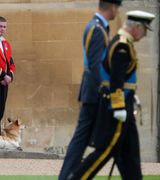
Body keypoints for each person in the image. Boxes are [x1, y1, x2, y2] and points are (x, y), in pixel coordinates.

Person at [67, 10, 155, 180]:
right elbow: (115, 78)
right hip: (116, 108)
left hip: (124, 103)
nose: (144, 35)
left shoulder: (124, 43)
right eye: (144, 30)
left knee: (130, 155)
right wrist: (119, 106)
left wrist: (130, 95)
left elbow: (122, 78)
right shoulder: (122, 45)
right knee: (104, 152)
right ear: (137, 27)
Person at [59, 0, 122, 179]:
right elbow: (95, 65)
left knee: (84, 139)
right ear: (111, 6)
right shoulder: (96, 29)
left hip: (93, 91)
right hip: (95, 93)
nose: (117, 11)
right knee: (84, 139)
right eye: (116, 7)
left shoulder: (98, 27)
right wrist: (105, 89)